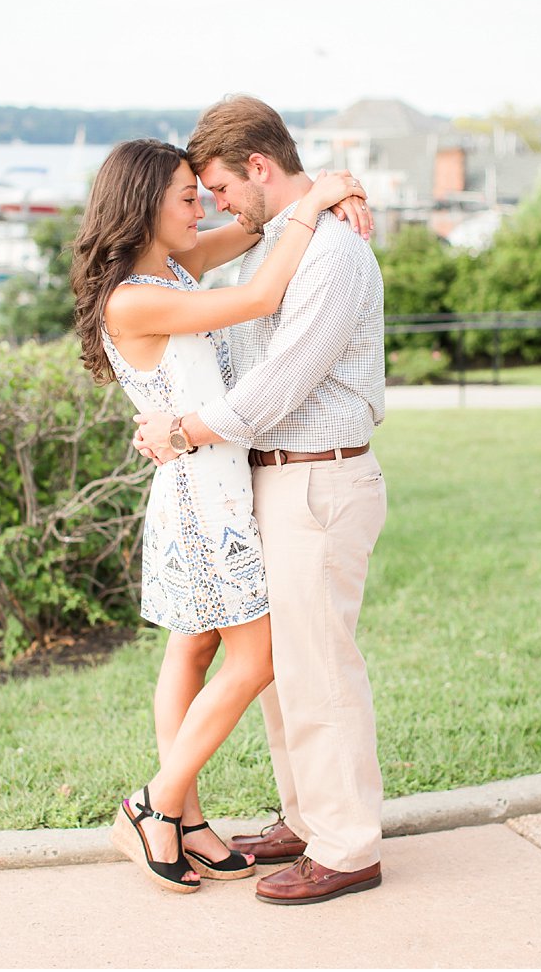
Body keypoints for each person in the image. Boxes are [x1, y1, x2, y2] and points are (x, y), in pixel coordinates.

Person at [71, 138, 367, 895]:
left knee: (193, 649)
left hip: (208, 483)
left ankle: (187, 823)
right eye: (184, 194)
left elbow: (263, 223)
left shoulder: (172, 266)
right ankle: (156, 802)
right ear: (143, 205)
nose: (201, 204)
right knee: (257, 658)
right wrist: (318, 197)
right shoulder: (136, 296)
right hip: (206, 500)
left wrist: (328, 190)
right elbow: (263, 294)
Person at [132, 94, 388, 906]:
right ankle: (309, 815)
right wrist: (320, 193)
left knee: (319, 667)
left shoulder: (332, 251)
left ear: (258, 167)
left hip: (318, 473)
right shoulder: (283, 240)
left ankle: (347, 845)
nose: (215, 205)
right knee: (284, 671)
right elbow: (243, 340)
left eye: (218, 187)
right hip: (274, 478)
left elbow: (278, 383)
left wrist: (187, 426)